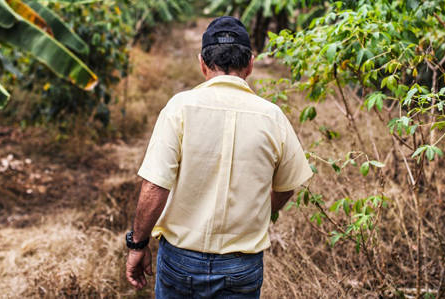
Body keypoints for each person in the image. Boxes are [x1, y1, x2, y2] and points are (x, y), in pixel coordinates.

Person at [124, 16, 313, 298]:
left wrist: (138, 245)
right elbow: (287, 185)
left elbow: (154, 187)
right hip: (242, 265)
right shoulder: (272, 116)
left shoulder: (180, 108)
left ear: (202, 63)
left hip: (180, 261)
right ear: (250, 63)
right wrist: (260, 211)